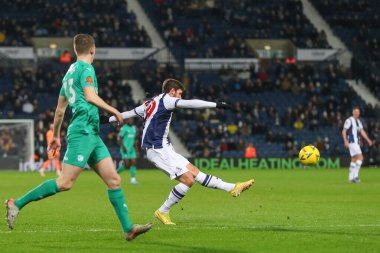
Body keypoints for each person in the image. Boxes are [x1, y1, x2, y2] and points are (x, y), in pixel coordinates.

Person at [5, 34, 152, 241]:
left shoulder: (68, 74)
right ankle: (16, 203)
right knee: (65, 183)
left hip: (91, 132)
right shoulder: (86, 69)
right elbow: (91, 96)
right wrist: (115, 111)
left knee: (114, 180)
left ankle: (128, 228)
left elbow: (59, 110)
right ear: (93, 50)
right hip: (82, 132)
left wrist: (55, 136)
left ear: (75, 51)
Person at [104, 78, 254, 225]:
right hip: (157, 150)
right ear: (172, 91)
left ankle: (232, 188)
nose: (180, 97)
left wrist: (106, 119)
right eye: (179, 93)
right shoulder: (167, 100)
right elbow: (190, 104)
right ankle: (162, 211)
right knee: (188, 180)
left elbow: (128, 113)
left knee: (195, 172)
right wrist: (215, 104)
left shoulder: (150, 103)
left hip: (165, 148)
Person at [342, 106, 373, 183]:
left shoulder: (358, 121)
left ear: (359, 113)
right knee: (361, 158)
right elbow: (344, 131)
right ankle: (355, 176)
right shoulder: (349, 120)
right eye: (355, 111)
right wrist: (345, 141)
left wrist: (367, 140)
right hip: (352, 142)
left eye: (358, 112)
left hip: (356, 142)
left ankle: (350, 177)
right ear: (352, 112)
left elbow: (362, 132)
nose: (356, 113)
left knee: (354, 159)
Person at [117, 118, 139, 184]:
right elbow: (119, 139)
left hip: (132, 149)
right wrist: (123, 147)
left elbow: (134, 140)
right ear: (127, 121)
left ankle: (133, 180)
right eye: (129, 120)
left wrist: (136, 150)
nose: (131, 121)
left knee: (133, 162)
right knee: (127, 165)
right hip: (125, 149)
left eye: (132, 120)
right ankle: (115, 173)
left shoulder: (133, 128)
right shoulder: (124, 128)